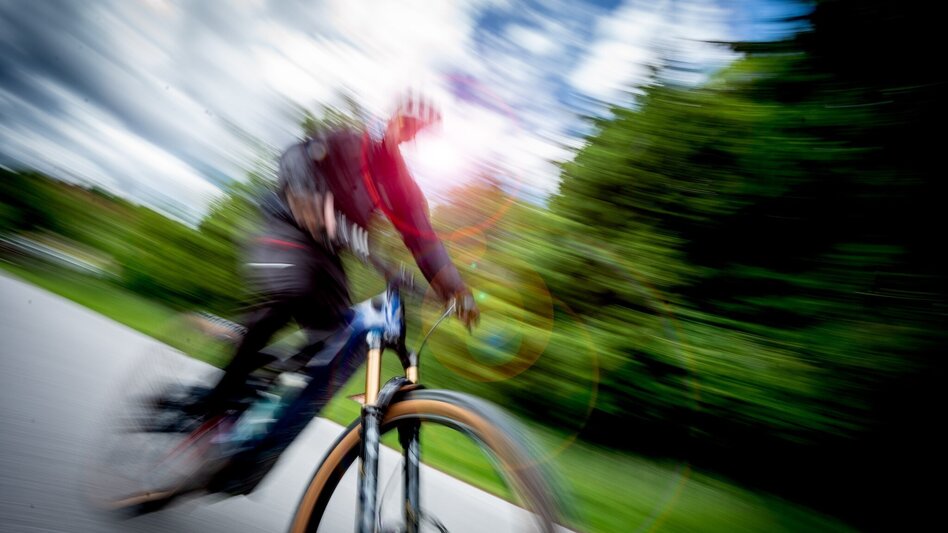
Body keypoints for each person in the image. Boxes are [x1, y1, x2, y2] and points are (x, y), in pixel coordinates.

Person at [198, 95, 479, 495]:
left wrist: (455, 288)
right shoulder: (351, 142)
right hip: (284, 224)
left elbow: (425, 240)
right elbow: (297, 155)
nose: (408, 130)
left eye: (417, 129)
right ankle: (213, 408)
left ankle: (261, 420)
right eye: (406, 120)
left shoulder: (403, 187)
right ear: (393, 118)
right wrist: (304, 191)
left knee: (338, 338)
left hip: (327, 255)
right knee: (292, 288)